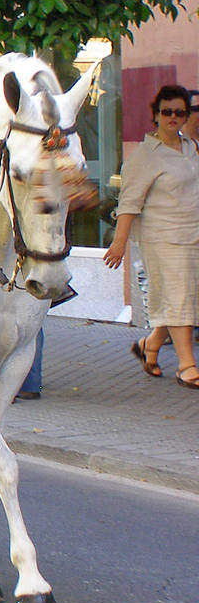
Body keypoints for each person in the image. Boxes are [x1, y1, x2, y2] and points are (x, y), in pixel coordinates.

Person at [103, 85, 199, 389]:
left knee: (184, 301)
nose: (173, 117)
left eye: (180, 112)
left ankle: (149, 346)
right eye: (166, 111)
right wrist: (119, 243)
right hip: (162, 239)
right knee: (178, 298)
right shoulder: (145, 155)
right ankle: (187, 366)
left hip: (192, 235)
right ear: (155, 114)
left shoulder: (190, 148)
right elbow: (129, 202)